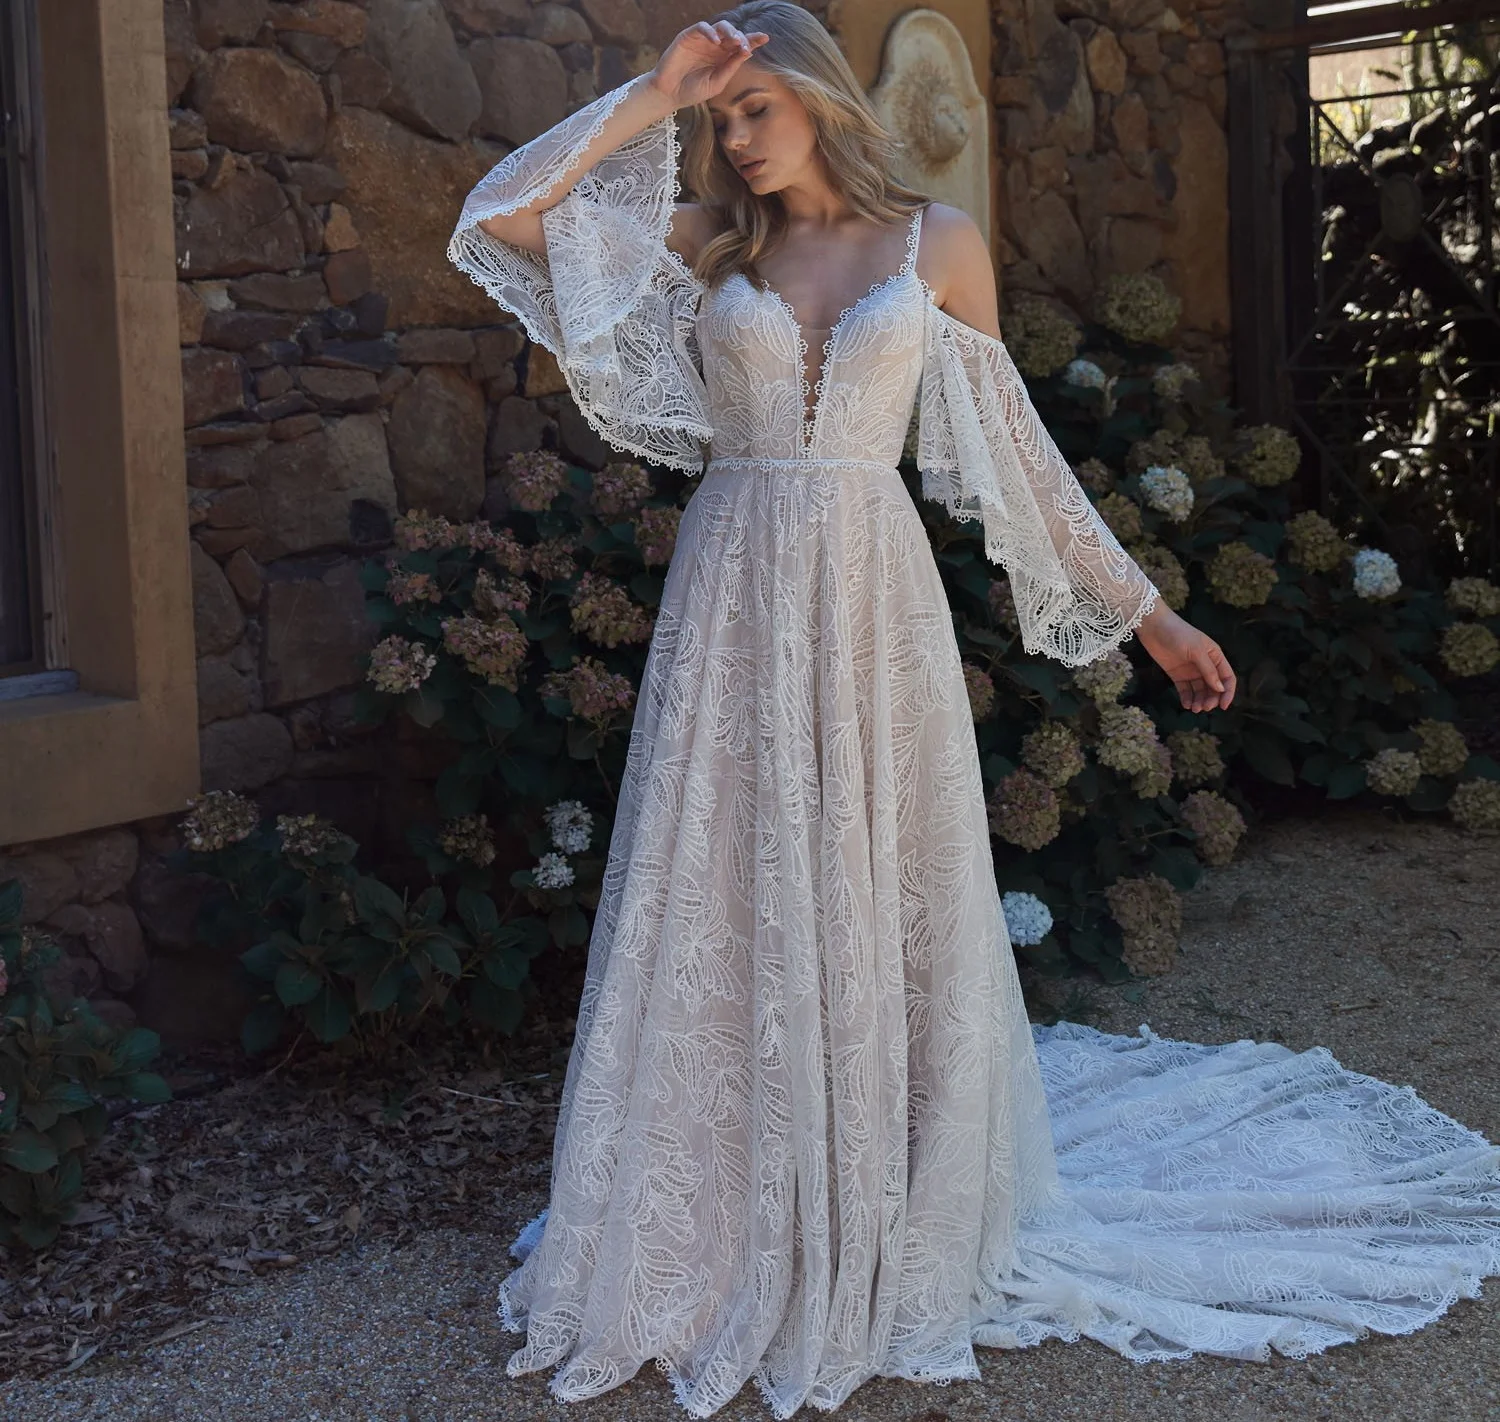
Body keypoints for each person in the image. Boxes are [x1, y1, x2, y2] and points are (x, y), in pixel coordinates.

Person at [448, 5, 1500, 1417]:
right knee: (727, 881)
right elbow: (500, 220)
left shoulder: (935, 245)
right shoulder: (709, 245)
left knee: (875, 881)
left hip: (873, 604)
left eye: (756, 108)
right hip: (735, 600)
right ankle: (730, 1202)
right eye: (721, 120)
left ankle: (881, 1188)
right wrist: (656, 94)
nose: (737, 139)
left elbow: (1019, 456)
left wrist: (1152, 616)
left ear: (823, 101)